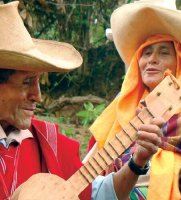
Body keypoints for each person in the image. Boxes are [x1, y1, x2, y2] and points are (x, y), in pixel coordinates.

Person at [0, 1, 162, 200]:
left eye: (38, 81)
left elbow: (97, 194)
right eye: (27, 82)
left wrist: (138, 161)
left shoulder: (49, 141)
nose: (38, 95)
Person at [87, 0, 181, 199]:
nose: (151, 60)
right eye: (146, 53)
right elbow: (89, 178)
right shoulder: (119, 111)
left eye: (163, 52)